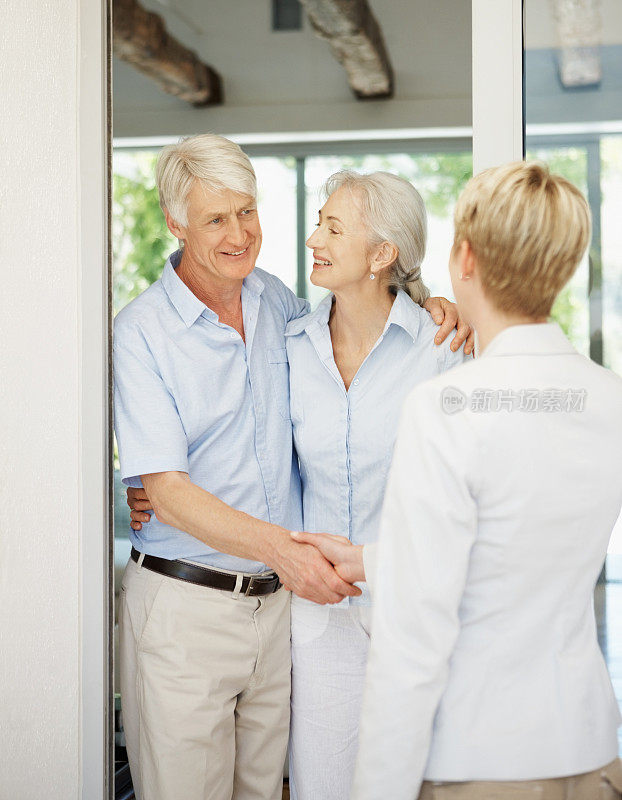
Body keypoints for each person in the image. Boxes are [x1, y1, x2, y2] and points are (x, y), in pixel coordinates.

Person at [115, 133, 469, 800]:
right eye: (216, 218)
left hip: (280, 612)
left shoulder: (277, 304)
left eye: (246, 211)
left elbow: (372, 320)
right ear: (176, 223)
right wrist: (159, 496)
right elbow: (166, 487)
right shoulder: (140, 333)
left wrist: (434, 302)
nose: (239, 233)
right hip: (192, 607)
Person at [299, 161, 622, 800]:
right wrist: (369, 560)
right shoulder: (608, 398)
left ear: (464, 259)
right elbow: (514, 549)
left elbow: (417, 632)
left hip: (481, 758)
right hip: (589, 747)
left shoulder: (445, 406)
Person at [277, 170, 470, 800]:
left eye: (333, 227)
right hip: (322, 610)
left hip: (412, 607)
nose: (314, 238)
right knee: (323, 786)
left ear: (382, 254)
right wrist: (151, 484)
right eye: (317, 223)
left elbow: (470, 492)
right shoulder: (291, 345)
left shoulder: (443, 348)